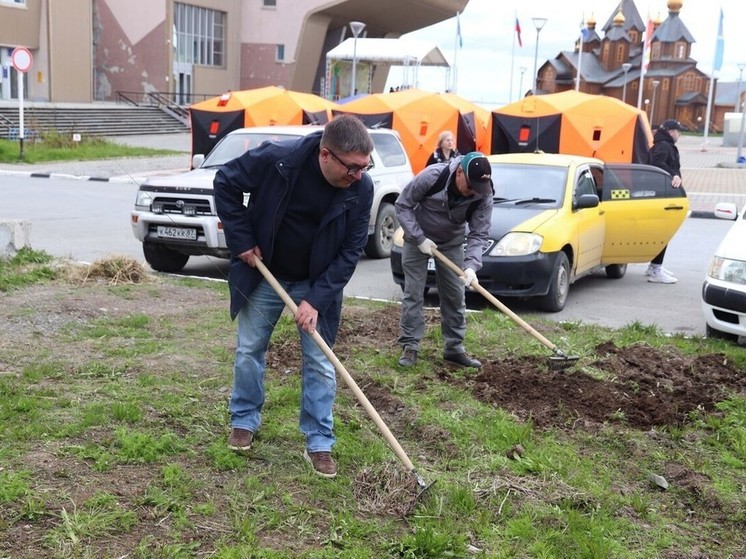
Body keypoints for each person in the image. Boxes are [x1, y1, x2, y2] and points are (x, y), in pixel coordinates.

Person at [213, 115, 375, 478]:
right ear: (325, 155)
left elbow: (351, 251)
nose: (359, 176)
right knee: (249, 349)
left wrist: (316, 299)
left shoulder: (361, 189)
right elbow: (224, 182)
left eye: (365, 167)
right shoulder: (278, 161)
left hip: (317, 283)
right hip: (266, 274)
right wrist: (241, 239)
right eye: (352, 168)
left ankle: (319, 442)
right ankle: (244, 419)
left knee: (320, 361)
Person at [395, 152, 493, 369]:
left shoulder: (483, 193)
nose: (474, 192)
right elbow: (403, 205)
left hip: (451, 242)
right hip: (417, 238)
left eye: (479, 188)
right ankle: (410, 346)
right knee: (414, 292)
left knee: (455, 295)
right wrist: (419, 237)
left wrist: (471, 266)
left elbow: (479, 233)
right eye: (471, 186)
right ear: (459, 172)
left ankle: (454, 348)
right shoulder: (432, 176)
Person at [646, 119, 683, 284]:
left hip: (663, 193)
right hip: (660, 195)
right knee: (663, 232)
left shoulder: (665, 144)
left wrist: (677, 176)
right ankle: (655, 269)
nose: (679, 134)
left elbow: (672, 166)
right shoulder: (663, 145)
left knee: (663, 232)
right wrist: (673, 175)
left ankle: (654, 266)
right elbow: (657, 164)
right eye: (677, 131)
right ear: (670, 131)